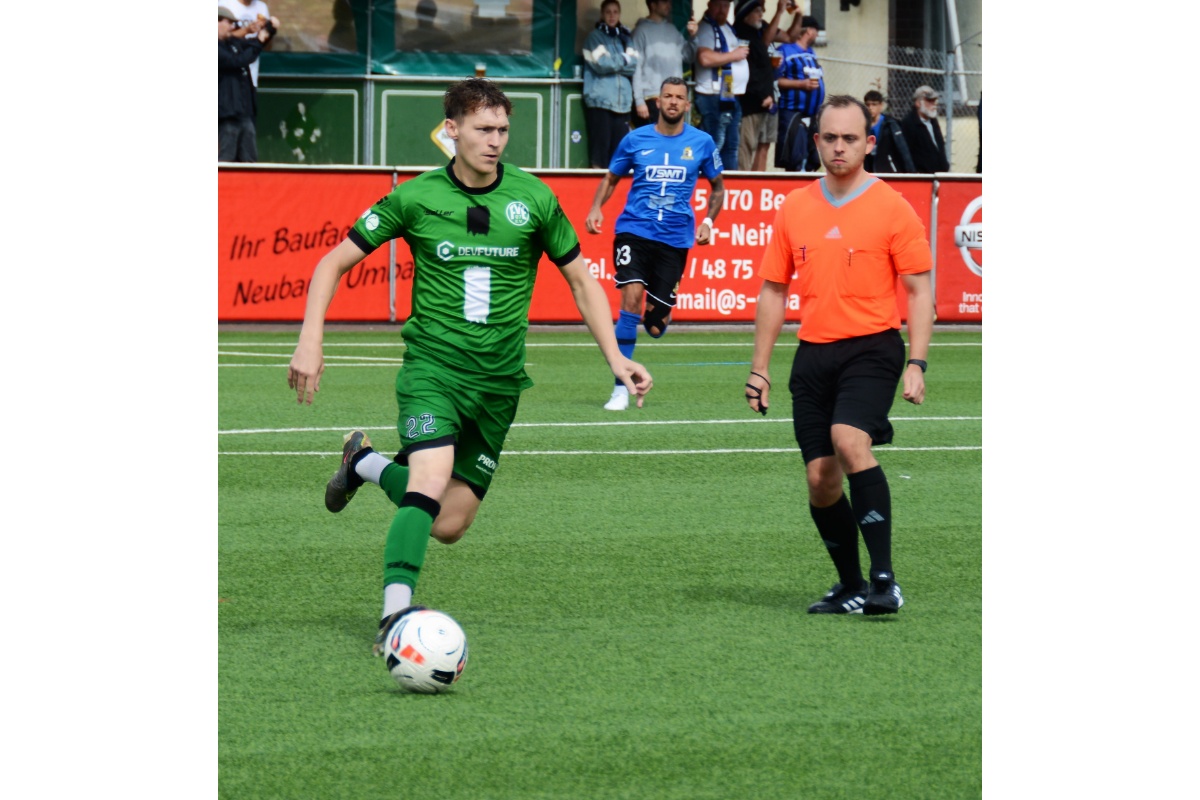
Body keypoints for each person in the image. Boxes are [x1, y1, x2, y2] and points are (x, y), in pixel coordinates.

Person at [286, 79, 653, 654]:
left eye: (503, 130)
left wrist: (617, 360)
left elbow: (582, 282)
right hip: (433, 369)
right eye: (484, 129)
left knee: (448, 522)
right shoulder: (415, 197)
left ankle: (365, 463)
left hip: (500, 384)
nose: (495, 141)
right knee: (430, 481)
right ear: (451, 131)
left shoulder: (533, 199)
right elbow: (333, 262)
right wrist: (311, 339)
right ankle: (393, 619)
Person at [744, 95, 933, 615]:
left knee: (849, 442)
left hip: (872, 350)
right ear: (816, 141)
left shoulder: (893, 206)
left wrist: (916, 362)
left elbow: (919, 291)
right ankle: (849, 584)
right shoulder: (795, 207)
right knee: (820, 479)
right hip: (813, 356)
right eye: (830, 137)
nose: (839, 147)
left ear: (869, 143)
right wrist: (760, 369)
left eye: (850, 138)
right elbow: (774, 292)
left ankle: (884, 580)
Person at [584, 77, 724, 411]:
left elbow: (718, 188)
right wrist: (595, 207)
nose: (673, 102)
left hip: (675, 239)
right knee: (630, 298)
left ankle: (656, 314)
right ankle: (621, 387)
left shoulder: (702, 143)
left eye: (680, 97)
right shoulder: (635, 140)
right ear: (658, 102)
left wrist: (707, 222)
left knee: (657, 325)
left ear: (687, 105)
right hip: (633, 230)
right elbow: (611, 177)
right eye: (667, 96)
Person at [582, 0, 638, 169]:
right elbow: (602, 64)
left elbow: (634, 64)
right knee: (600, 154)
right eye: (608, 12)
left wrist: (617, 63)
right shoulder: (594, 37)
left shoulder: (626, 38)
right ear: (602, 14)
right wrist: (624, 60)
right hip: (601, 103)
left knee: (618, 154)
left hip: (623, 105)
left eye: (615, 12)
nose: (612, 16)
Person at [694, 0, 749, 170]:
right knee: (715, 145)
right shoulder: (705, 28)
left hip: (729, 95)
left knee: (731, 146)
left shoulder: (727, 28)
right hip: (712, 96)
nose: (722, 10)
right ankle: (709, 183)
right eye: (718, 5)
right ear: (710, 5)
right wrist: (733, 55)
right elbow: (704, 58)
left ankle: (728, 185)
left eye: (726, 6)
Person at [219, 6, 277, 162]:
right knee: (226, 157)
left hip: (243, 111)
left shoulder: (230, 42)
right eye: (229, 23)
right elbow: (237, 61)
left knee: (249, 158)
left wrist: (269, 29)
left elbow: (252, 45)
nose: (232, 27)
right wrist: (259, 39)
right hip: (226, 113)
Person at [630, 0, 698, 129]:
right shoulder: (640, 31)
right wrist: (639, 101)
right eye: (664, 1)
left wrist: (693, 36)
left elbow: (689, 57)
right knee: (653, 144)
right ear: (653, 4)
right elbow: (636, 68)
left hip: (673, 97)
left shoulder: (673, 30)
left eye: (670, 2)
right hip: (651, 97)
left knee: (672, 142)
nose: (669, 5)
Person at [733, 0, 784, 172]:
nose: (761, 14)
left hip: (760, 104)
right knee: (745, 147)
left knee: (756, 146)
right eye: (757, 10)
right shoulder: (743, 37)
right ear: (745, 15)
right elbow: (748, 70)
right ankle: (741, 185)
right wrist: (763, 94)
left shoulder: (754, 35)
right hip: (751, 104)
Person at [774, 13, 824, 171]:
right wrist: (801, 84)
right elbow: (776, 80)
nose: (817, 35)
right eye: (816, 31)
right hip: (793, 112)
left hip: (811, 114)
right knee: (795, 157)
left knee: (810, 158)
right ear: (809, 30)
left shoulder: (811, 52)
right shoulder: (785, 50)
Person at [863, 89, 915, 174]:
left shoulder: (890, 125)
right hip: (867, 170)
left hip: (887, 170)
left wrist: (911, 172)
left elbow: (902, 148)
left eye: (874, 104)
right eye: (868, 104)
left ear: (881, 106)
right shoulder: (862, 125)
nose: (870, 108)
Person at [899, 85, 949, 173]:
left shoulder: (933, 122)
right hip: (922, 178)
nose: (934, 104)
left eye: (934, 101)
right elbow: (906, 154)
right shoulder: (909, 124)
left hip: (939, 175)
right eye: (929, 101)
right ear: (918, 103)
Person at [228, 0, 273, 88]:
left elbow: (268, 46)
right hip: (228, 75)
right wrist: (246, 30)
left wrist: (268, 31)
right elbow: (222, 39)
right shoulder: (224, 4)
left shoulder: (261, 7)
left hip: (251, 74)